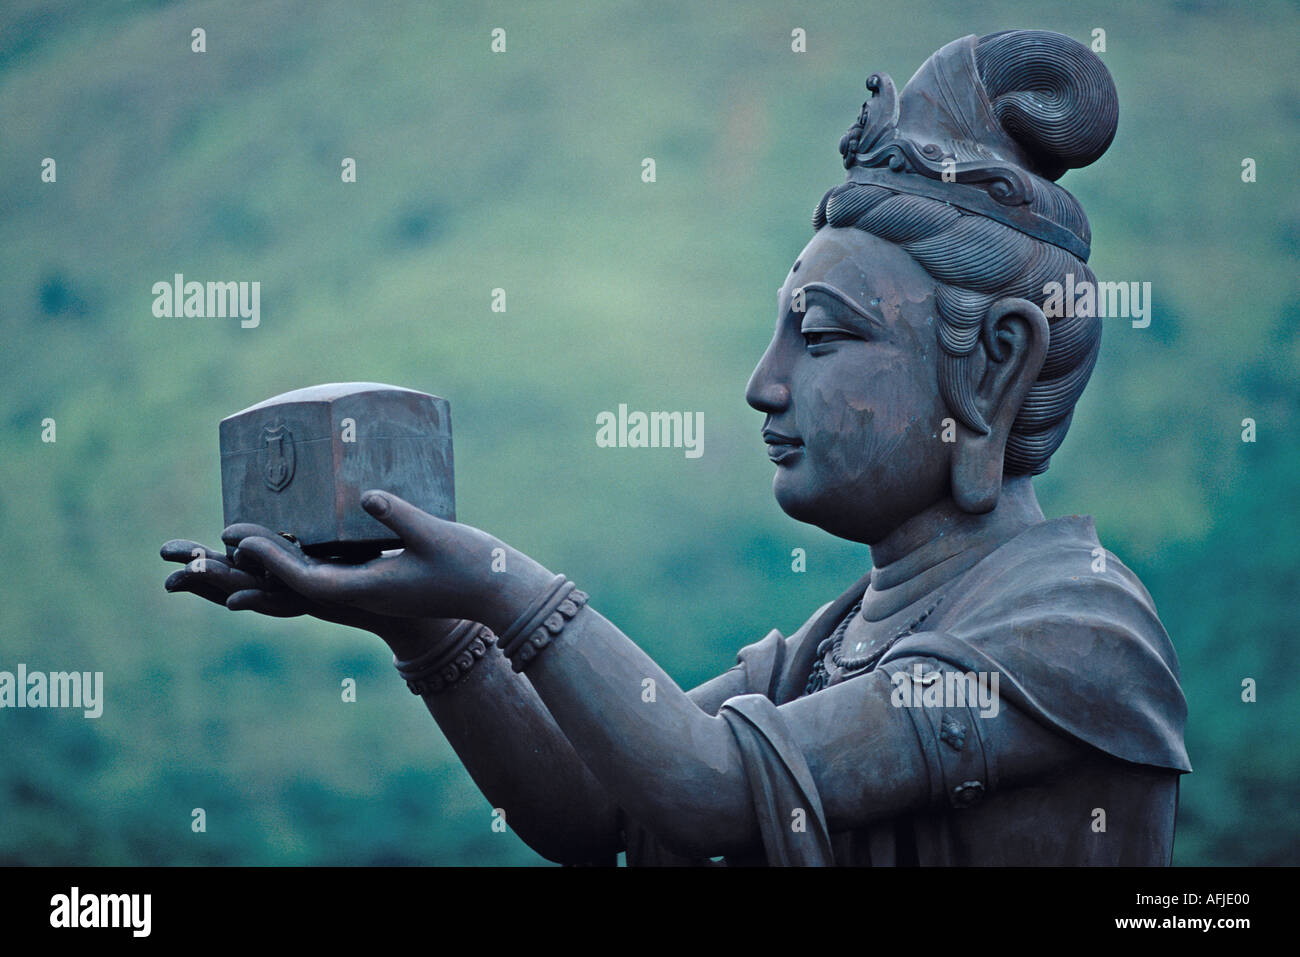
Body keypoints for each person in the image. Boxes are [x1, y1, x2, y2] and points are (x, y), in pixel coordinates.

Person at [163, 29, 1190, 866]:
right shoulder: (830, 648)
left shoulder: (1074, 630)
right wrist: (429, 625)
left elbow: (704, 789)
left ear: (993, 367)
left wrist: (502, 584)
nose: (765, 382)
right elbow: (602, 816)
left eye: (821, 334)